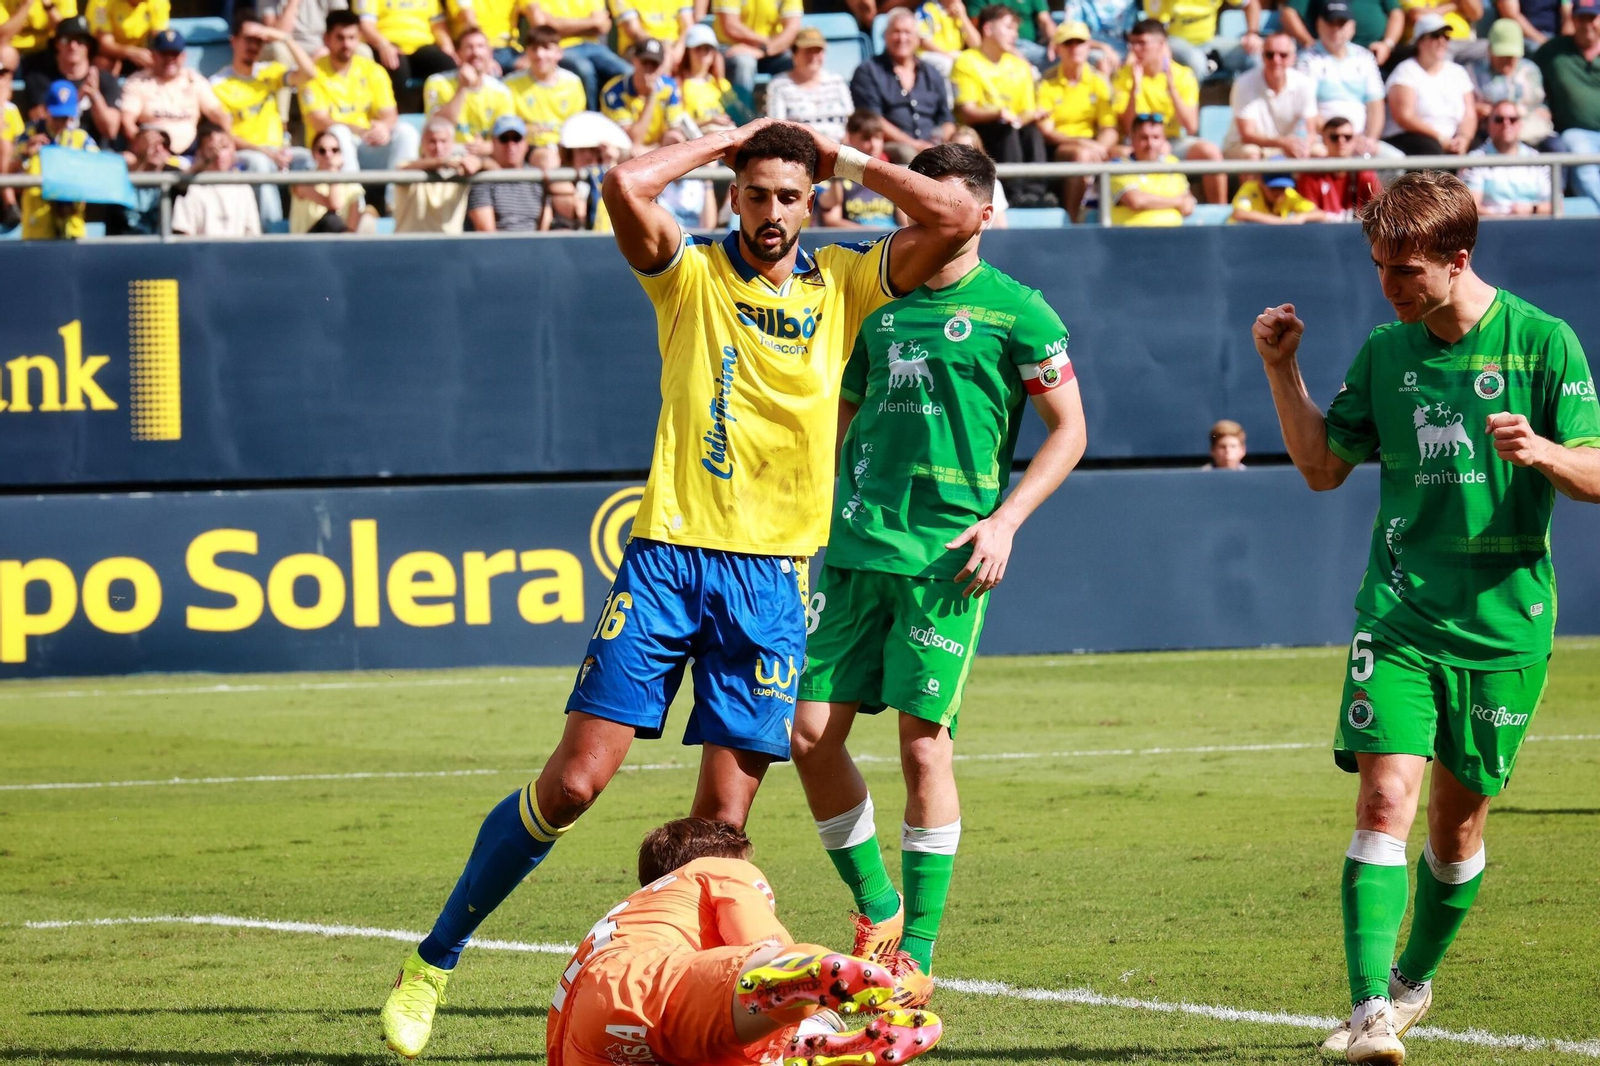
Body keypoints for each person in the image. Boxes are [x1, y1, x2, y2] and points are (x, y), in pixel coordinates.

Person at [378, 116, 982, 1059]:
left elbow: (955, 214)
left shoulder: (845, 281)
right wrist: (726, 139)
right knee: (575, 783)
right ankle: (432, 963)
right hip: (668, 558)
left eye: (790, 196)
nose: (772, 212)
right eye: (756, 193)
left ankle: (672, 1021)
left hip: (772, 582)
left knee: (717, 834)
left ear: (812, 201)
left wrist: (846, 158)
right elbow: (624, 186)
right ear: (732, 194)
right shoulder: (689, 272)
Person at [1252, 170, 1600, 1065]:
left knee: (1457, 831)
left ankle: (1412, 981)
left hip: (1504, 625)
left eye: (1404, 270)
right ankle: (1370, 1009)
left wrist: (1544, 453)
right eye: (1378, 267)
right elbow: (1322, 468)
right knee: (1383, 799)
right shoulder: (1386, 353)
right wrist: (1282, 369)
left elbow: (1597, 472)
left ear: (1458, 258)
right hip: (1400, 614)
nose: (1388, 286)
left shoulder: (1543, 342)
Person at [793, 141, 1086, 1008]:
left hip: (947, 558)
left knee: (924, 744)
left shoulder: (1019, 310)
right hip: (855, 547)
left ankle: (914, 954)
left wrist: (1006, 521)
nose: (919, 216)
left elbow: (1070, 430)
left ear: (983, 215)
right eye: (912, 202)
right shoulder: (874, 307)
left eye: (939, 202)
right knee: (808, 736)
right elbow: (839, 420)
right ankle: (878, 910)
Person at [545, 818, 944, 1066]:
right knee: (783, 968)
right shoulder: (715, 867)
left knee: (723, 1046)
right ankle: (803, 1035)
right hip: (647, 981)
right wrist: (802, 983)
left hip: (583, 1039)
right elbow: (761, 939)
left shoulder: (632, 912)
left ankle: (787, 1052)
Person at [212, 12, 317, 229]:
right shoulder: (218, 84)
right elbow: (225, 136)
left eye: (259, 41)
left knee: (309, 159)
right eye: (248, 39)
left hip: (279, 151)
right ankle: (272, 231)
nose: (253, 46)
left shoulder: (268, 72)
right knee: (259, 164)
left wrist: (285, 38)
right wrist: (265, 152)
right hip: (244, 154)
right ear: (234, 41)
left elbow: (309, 74)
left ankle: (309, 226)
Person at [1113, 18, 1225, 203]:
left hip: (1172, 141)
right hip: (1137, 143)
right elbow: (1127, 127)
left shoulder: (1182, 75)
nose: (1135, 49)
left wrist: (1172, 89)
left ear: (1161, 45)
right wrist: (1135, 89)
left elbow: (1191, 126)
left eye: (1142, 43)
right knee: (1116, 153)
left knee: (1210, 152)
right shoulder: (1124, 76)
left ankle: (1220, 213)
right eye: (1132, 43)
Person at [299, 10, 422, 173]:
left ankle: (399, 190)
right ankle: (351, 190)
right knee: (339, 132)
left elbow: (389, 114)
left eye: (352, 38)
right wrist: (360, 130)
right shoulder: (312, 74)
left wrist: (383, 128)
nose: (347, 44)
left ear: (359, 39)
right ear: (326, 39)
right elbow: (319, 121)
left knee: (406, 132)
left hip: (368, 143)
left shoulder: (373, 70)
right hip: (330, 153)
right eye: (340, 38)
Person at [951, 5, 1049, 206]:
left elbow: (1027, 110)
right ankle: (1014, 193)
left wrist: (1025, 118)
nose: (1015, 35)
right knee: (1005, 129)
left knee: (1032, 132)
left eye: (1015, 29)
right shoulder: (966, 61)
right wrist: (998, 113)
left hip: (1012, 127)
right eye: (1008, 28)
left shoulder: (1020, 66)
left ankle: (1037, 193)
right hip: (982, 131)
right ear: (988, 29)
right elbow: (967, 111)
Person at [1037, 19, 1118, 220]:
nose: (1075, 48)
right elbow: (1048, 132)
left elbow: (1109, 127)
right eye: (1068, 43)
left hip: (1093, 145)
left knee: (1126, 154)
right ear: (1058, 49)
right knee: (1081, 156)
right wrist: (1086, 145)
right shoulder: (1046, 83)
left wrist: (1099, 148)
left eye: (1080, 42)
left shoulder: (1099, 81)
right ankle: (1074, 221)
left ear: (1089, 46)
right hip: (1060, 148)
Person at [1296, 0, 1390, 158]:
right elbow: (1307, 108)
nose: (1336, 29)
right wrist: (1343, 137)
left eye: (1341, 23)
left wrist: (1370, 139)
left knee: (1397, 161)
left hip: (1361, 141)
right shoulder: (1306, 59)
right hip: (1324, 140)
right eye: (1330, 22)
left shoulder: (1365, 57)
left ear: (1352, 26)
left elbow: (1376, 104)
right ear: (1318, 24)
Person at [851, 9, 954, 153]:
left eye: (907, 32)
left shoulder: (932, 73)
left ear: (917, 38)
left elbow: (947, 120)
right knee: (906, 153)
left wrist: (937, 143)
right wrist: (915, 145)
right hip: (892, 147)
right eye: (896, 32)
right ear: (885, 35)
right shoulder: (868, 71)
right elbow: (874, 119)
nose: (902, 38)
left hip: (933, 145)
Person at [119, 28, 230, 156]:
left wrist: (226, 140)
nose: (170, 59)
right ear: (153, 55)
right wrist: (141, 144)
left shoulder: (194, 80)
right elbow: (127, 122)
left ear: (183, 56)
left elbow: (217, 114)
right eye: (164, 54)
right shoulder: (138, 81)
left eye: (174, 54)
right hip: (152, 153)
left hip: (192, 153)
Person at [1534, 0, 1600, 206]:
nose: (1587, 24)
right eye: (1581, 18)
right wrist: (1540, 105)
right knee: (1583, 163)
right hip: (1578, 132)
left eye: (1592, 18)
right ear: (1572, 19)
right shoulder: (1554, 51)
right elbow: (1527, 73)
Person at [1382, 13, 1475, 155]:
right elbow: (1405, 116)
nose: (1442, 41)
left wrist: (1464, 138)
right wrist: (1439, 137)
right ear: (1420, 41)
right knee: (1431, 149)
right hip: (1413, 138)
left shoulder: (1458, 72)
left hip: (1449, 139)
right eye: (1435, 36)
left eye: (1445, 36)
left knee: (1479, 148)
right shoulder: (1405, 71)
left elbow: (1470, 114)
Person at [15, 78, 96, 240]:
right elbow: (8, 175)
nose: (60, 122)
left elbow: (98, 170)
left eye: (65, 117)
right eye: (56, 116)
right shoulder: (29, 136)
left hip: (72, 226)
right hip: (37, 227)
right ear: (45, 110)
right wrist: (25, 153)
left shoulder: (81, 139)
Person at [20, 16, 120, 145]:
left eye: (81, 40)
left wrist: (95, 95)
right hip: (53, 148)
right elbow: (40, 121)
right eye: (65, 40)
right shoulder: (40, 78)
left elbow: (111, 131)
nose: (73, 46)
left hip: (94, 152)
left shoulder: (105, 79)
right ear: (56, 44)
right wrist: (77, 97)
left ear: (89, 46)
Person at [1224, 31, 1321, 159]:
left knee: (1320, 153)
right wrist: (1283, 143)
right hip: (1247, 145)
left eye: (1283, 55)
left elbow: (1311, 131)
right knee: (1252, 154)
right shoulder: (1244, 83)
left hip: (1286, 145)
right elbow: (1247, 135)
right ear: (1262, 56)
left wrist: (1303, 146)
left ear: (1293, 58)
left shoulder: (1304, 83)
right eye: (1270, 55)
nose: (1276, 60)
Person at [425, 26, 515, 153]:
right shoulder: (437, 82)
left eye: (480, 46)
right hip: (446, 153)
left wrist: (488, 147)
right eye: (469, 47)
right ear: (458, 53)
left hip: (484, 156)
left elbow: (507, 137)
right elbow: (438, 125)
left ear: (490, 53)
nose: (475, 52)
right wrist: (462, 87)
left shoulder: (501, 91)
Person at [1470, 19, 1557, 149]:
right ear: (1490, 50)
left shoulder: (1531, 71)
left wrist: (1544, 110)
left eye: (1511, 56)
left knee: (1556, 147)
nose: (1507, 60)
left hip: (1531, 131)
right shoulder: (1474, 73)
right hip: (1491, 134)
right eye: (1502, 55)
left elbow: (1540, 103)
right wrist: (1477, 109)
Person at [358, 0, 459, 108]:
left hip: (423, 46)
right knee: (395, 65)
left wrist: (448, 48)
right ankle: (396, 113)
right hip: (388, 45)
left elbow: (438, 26)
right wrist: (383, 45)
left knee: (446, 63)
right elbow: (366, 25)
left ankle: (446, 113)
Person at [532, 0, 628, 112]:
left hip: (593, 46)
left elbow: (603, 26)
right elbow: (547, 27)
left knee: (627, 71)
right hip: (562, 48)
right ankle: (591, 115)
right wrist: (591, 22)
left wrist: (563, 26)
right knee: (585, 70)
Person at [507, 25, 588, 155]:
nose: (540, 55)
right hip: (529, 148)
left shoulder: (573, 82)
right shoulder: (511, 83)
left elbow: (577, 124)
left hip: (566, 147)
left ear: (559, 53)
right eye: (534, 49)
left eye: (546, 48)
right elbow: (507, 125)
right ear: (527, 52)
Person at [393, 113, 482, 230]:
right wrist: (443, 163)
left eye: (443, 141)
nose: (438, 147)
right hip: (411, 241)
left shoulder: (461, 166)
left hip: (449, 242)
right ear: (422, 143)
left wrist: (478, 163)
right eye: (432, 141)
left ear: (452, 143)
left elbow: (494, 167)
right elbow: (402, 170)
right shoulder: (408, 165)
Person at [171, 123, 263, 236]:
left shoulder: (244, 188)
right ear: (200, 152)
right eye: (211, 148)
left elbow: (252, 234)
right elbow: (183, 234)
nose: (218, 154)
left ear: (233, 149)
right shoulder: (190, 189)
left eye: (224, 147)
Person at [1460, 98, 1552, 212]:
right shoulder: (1475, 160)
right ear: (1488, 125)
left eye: (1512, 119)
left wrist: (1531, 209)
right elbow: (1471, 207)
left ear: (1520, 124)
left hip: (1534, 221)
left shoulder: (1536, 159)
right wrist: (1503, 219)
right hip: (1491, 222)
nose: (1506, 124)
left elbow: (1556, 206)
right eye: (1499, 119)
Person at [764, 27, 854, 141]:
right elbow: (777, 129)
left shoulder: (837, 82)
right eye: (808, 51)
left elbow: (851, 122)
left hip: (839, 146)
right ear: (794, 53)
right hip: (801, 148)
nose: (813, 56)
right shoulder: (779, 85)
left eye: (818, 50)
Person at [544, 107, 626, 229]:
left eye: (593, 150)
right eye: (582, 150)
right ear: (570, 154)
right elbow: (580, 214)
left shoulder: (607, 176)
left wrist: (611, 161)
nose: (587, 155)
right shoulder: (561, 180)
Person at [1110, 112, 1196, 224]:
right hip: (1134, 234)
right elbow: (1136, 201)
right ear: (1132, 139)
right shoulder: (1119, 166)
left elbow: (1188, 206)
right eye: (1144, 138)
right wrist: (1177, 201)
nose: (1150, 143)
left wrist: (1152, 201)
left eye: (1156, 137)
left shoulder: (1172, 162)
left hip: (1173, 233)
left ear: (1163, 140)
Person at [601, 37, 683, 150]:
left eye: (654, 64)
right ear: (635, 60)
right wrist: (651, 97)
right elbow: (633, 140)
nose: (649, 69)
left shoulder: (669, 87)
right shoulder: (614, 92)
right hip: (626, 151)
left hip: (658, 149)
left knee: (676, 138)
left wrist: (657, 147)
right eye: (645, 62)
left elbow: (674, 129)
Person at [817, 109, 895, 225]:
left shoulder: (892, 176)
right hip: (859, 236)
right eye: (866, 138)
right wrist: (873, 233)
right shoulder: (839, 176)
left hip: (892, 236)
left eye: (878, 137)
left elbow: (905, 224)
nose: (874, 145)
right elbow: (832, 221)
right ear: (850, 138)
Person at [1146, 0, 1264, 77]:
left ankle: (1251, 107)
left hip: (1209, 40)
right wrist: (1162, 46)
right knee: (1196, 61)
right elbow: (1154, 24)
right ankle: (1190, 107)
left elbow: (1251, 4)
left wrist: (1252, 33)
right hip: (1174, 41)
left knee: (1253, 55)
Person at [467, 112, 544, 229]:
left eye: (516, 138)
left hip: (537, 240)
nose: (510, 145)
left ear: (525, 144)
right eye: (504, 139)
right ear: (493, 143)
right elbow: (487, 233)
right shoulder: (483, 180)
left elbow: (545, 226)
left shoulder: (537, 178)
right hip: (501, 240)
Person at [713, 0, 799, 105]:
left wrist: (764, 50)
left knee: (790, 60)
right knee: (744, 62)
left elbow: (792, 29)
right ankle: (742, 112)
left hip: (770, 49)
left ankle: (792, 110)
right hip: (732, 46)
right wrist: (768, 45)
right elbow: (732, 27)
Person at [1296, 115, 1381, 215]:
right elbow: (1308, 215)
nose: (1341, 141)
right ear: (1324, 139)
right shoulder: (1311, 175)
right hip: (1322, 225)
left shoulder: (1365, 174)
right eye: (1334, 137)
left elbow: (1379, 211)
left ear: (1355, 139)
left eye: (1347, 137)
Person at [289, 127, 369, 231]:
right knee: (332, 219)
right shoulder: (303, 182)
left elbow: (351, 231)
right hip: (308, 239)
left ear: (340, 153)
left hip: (339, 239)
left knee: (366, 216)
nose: (328, 155)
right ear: (313, 154)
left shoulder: (353, 187)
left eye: (334, 150)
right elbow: (334, 205)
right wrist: (333, 170)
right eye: (322, 151)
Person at [1282, 0, 1403, 67]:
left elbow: (1396, 13)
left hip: (1374, 54)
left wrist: (1387, 44)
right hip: (1326, 56)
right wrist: (1308, 41)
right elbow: (1289, 13)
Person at [107, 123, 175, 233]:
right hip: (121, 241)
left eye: (164, 144)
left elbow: (187, 178)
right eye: (151, 143)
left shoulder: (173, 173)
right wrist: (141, 158)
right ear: (134, 145)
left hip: (159, 242)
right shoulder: (118, 167)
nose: (158, 149)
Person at [678, 23, 736, 131]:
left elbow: (738, 115)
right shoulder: (678, 84)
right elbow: (676, 124)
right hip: (695, 137)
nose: (702, 54)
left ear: (714, 53)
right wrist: (709, 121)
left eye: (707, 49)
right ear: (688, 52)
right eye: (698, 49)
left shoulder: (722, 85)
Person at [965, 0, 1054, 69]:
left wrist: (1055, 41)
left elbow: (1045, 19)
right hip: (1003, 45)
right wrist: (1022, 61)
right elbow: (977, 30)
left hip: (1032, 45)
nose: (1015, 34)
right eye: (1009, 27)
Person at [86, 0, 168, 74]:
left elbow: (160, 38)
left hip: (140, 51)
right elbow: (105, 45)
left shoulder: (159, 2)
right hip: (108, 53)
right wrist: (130, 52)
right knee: (103, 63)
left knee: (161, 61)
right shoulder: (101, 2)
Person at [610, 0, 692, 74]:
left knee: (696, 52)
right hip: (639, 46)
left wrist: (679, 49)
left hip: (675, 45)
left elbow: (687, 24)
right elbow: (633, 29)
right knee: (662, 59)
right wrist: (664, 49)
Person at [913, 0, 979, 78]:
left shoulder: (958, 12)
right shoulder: (927, 8)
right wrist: (947, 55)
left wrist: (963, 17)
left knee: (976, 62)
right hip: (928, 55)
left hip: (954, 55)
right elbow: (923, 41)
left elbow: (976, 45)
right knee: (947, 63)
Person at [1229, 171, 1329, 221]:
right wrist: (1279, 222)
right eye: (1273, 188)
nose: (1278, 193)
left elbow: (1321, 214)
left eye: (1282, 188)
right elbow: (1239, 213)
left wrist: (1302, 217)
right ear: (1261, 183)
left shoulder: (1288, 193)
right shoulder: (1250, 188)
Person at [1499, 0, 1574, 49]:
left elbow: (1568, 16)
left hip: (1555, 38)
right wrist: (1544, 42)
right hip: (1526, 37)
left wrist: (1564, 43)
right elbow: (1511, 14)